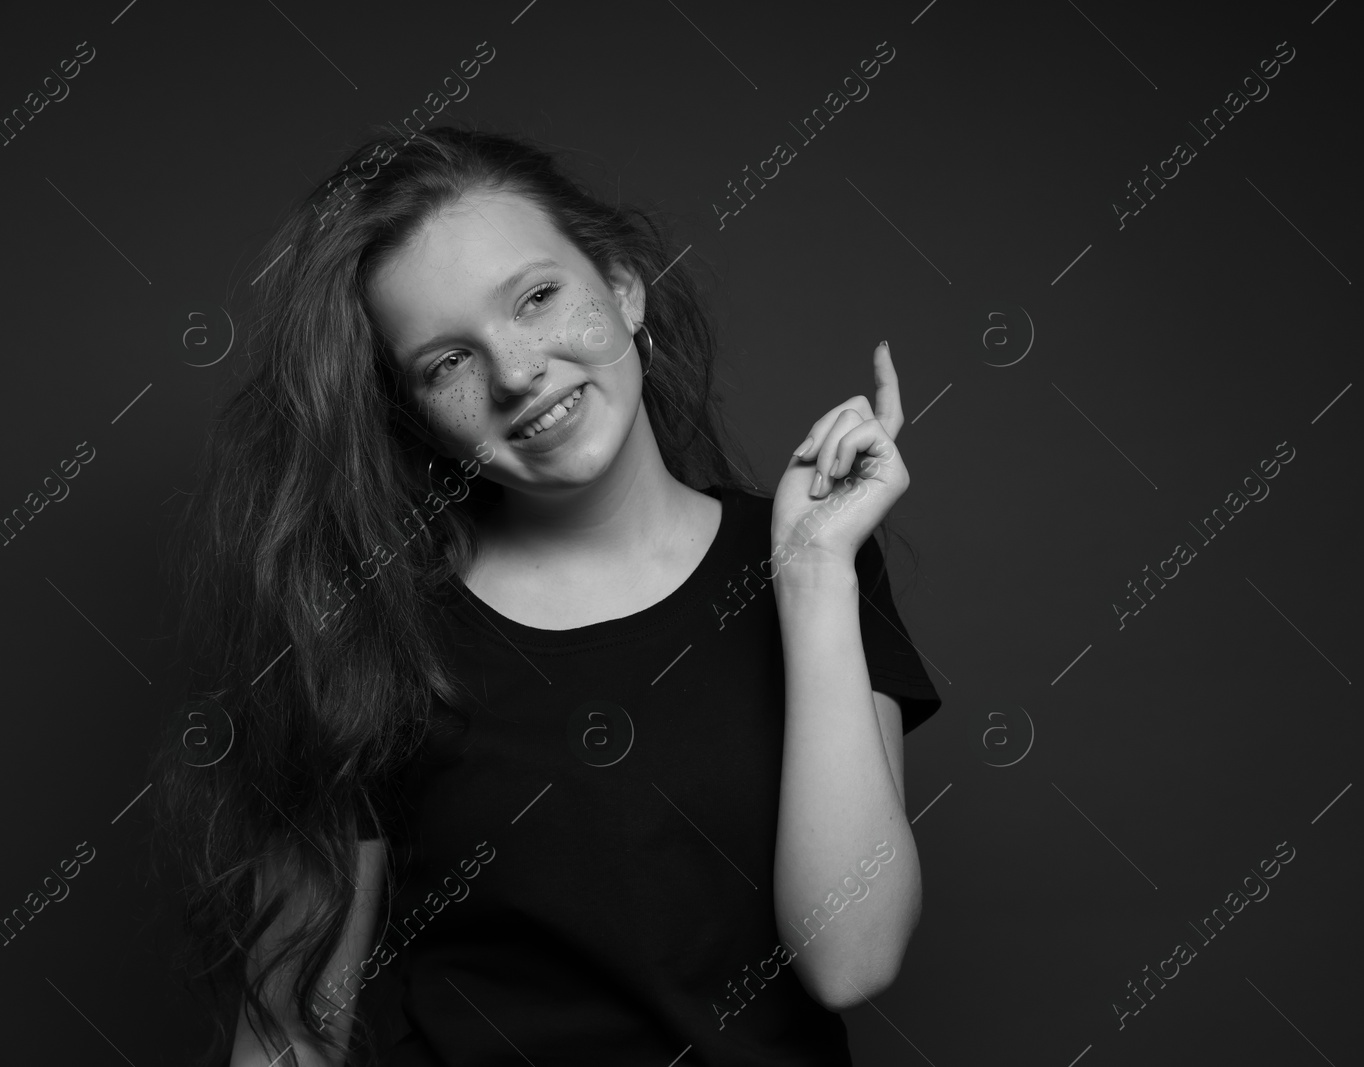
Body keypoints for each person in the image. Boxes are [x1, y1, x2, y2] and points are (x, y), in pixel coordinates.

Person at [148, 125, 941, 1067]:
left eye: (536, 298)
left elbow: (851, 959)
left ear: (620, 285)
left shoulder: (817, 568)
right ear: (413, 416)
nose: (517, 372)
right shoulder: (369, 634)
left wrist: (811, 578)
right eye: (448, 362)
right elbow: (286, 1038)